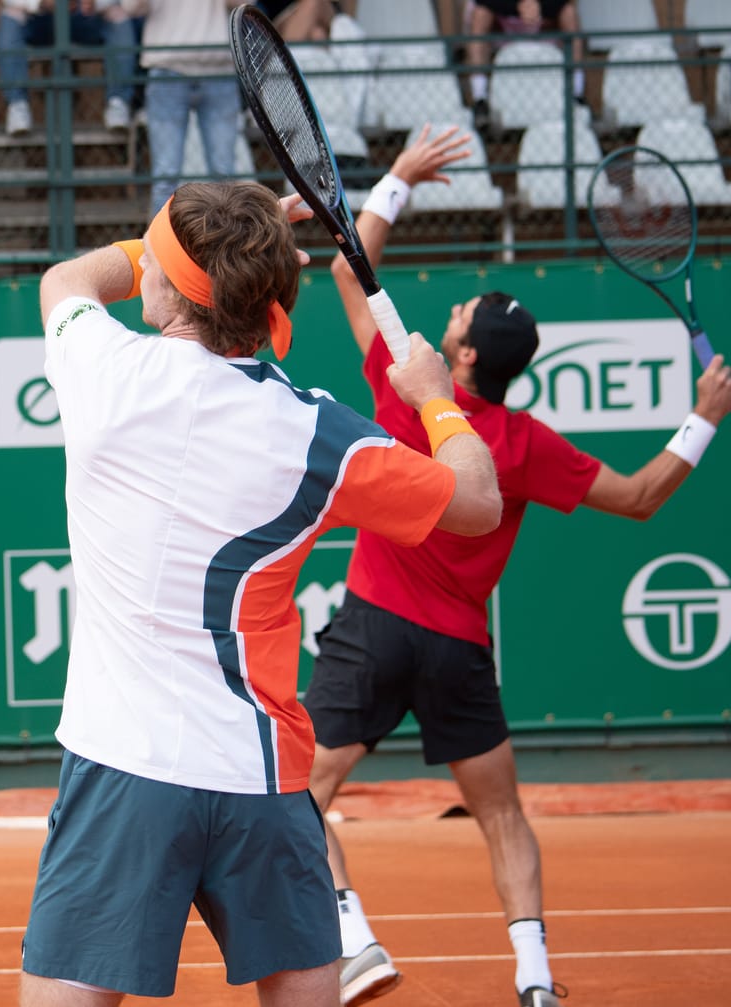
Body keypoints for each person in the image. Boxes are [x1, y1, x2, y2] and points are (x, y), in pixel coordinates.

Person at [18, 176, 503, 1006]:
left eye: (158, 255)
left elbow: (69, 278)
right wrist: (437, 401)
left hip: (124, 765)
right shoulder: (318, 431)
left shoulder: (101, 367)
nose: (148, 266)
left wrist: (229, 239)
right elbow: (478, 502)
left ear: (173, 284)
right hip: (262, 777)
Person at [303, 123, 731, 1007]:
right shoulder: (528, 444)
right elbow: (642, 495)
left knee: (297, 792)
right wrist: (704, 416)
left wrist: (399, 176)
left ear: (462, 357)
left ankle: (353, 939)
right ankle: (534, 980)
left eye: (464, 315)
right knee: (502, 812)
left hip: (373, 628)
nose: (456, 311)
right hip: (459, 650)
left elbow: (349, 269)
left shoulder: (405, 386)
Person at [120, 0, 246, 218]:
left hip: (218, 69)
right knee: (165, 175)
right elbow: (131, 7)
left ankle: (226, 239)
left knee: (224, 175)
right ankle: (159, 241)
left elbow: (244, 4)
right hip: (168, 69)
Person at [0, 1, 138, 136]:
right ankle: (17, 103)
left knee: (118, 15)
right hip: (40, 19)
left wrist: (96, 3)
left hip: (86, 17)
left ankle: (118, 102)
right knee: (10, 16)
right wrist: (41, 2)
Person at [464, 0, 590, 132]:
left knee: (569, 13)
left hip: (543, 22)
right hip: (504, 21)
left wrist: (540, 6)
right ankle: (480, 99)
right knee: (480, 14)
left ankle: (576, 94)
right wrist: (517, 6)